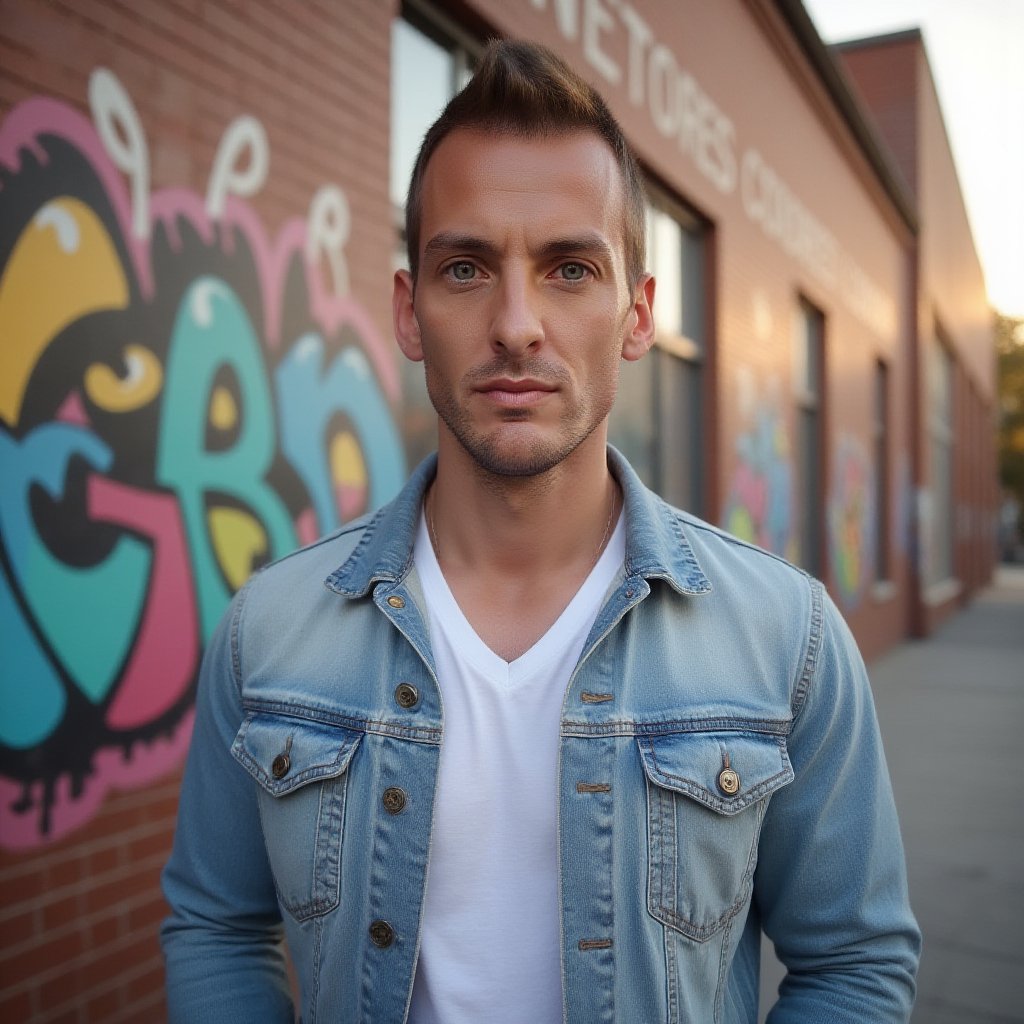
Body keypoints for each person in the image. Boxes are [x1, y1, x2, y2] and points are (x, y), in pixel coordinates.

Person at [161, 38, 920, 1023]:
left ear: (637, 315)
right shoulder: (271, 629)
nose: (516, 323)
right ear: (408, 309)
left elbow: (854, 963)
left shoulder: (789, 637)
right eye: (467, 266)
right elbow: (217, 923)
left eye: (568, 268)